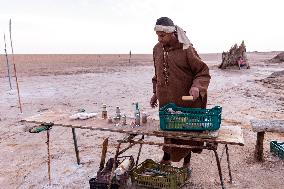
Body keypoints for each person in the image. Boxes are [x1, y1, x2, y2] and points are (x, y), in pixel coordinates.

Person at [150, 17, 211, 168]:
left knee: (185, 132)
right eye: (158, 35)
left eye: (162, 35)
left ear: (172, 33)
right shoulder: (157, 49)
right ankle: (166, 157)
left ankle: (187, 161)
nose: (160, 39)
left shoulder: (186, 48)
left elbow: (202, 71)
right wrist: (155, 93)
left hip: (185, 100)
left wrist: (197, 86)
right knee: (168, 130)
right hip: (166, 100)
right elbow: (157, 73)